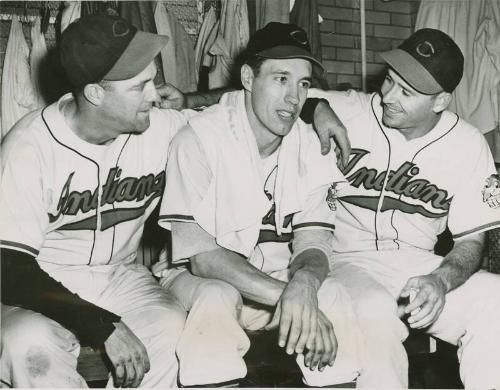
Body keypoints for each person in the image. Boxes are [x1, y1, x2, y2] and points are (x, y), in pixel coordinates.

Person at [0, 14, 351, 388]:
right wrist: (100, 325)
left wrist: (314, 107)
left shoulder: (159, 126)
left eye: (152, 80)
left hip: (121, 275)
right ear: (96, 94)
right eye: (141, 87)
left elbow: (240, 107)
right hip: (42, 278)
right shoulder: (28, 148)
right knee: (29, 345)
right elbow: (10, 268)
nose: (156, 95)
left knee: (170, 328)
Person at [153, 22, 360, 387]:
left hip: (279, 280)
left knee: (334, 292)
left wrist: (307, 284)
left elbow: (314, 241)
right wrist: (293, 296)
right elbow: (202, 258)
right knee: (218, 296)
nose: (294, 98)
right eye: (281, 78)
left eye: (304, 83)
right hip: (196, 278)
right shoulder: (199, 139)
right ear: (248, 78)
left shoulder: (312, 145)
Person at [307, 28, 500, 388]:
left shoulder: (468, 144)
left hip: (417, 264)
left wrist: (440, 281)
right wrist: (315, 106)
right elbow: (271, 92)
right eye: (390, 81)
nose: (388, 96)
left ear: (440, 102)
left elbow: (472, 243)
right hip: (344, 259)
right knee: (373, 310)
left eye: (406, 92)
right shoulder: (353, 109)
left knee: (496, 299)